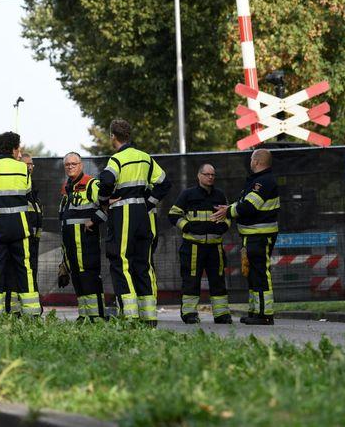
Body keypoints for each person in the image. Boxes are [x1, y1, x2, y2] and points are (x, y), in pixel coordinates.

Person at [97, 120, 171, 326]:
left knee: (120, 262)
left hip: (123, 213)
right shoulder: (145, 158)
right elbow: (165, 182)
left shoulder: (116, 160)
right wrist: (148, 203)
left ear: (113, 136)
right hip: (143, 215)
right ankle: (149, 317)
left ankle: (130, 316)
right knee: (143, 263)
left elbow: (106, 182)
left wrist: (104, 201)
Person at [213, 149, 280, 325]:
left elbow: (249, 206)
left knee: (260, 273)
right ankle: (256, 312)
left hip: (259, 236)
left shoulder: (263, 182)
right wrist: (229, 208)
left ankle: (265, 314)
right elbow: (243, 203)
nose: (249, 162)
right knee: (252, 274)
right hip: (252, 236)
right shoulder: (257, 181)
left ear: (257, 162)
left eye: (251, 159)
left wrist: (228, 211)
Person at [0, 132, 40, 316]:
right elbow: (28, 195)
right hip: (20, 229)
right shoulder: (23, 169)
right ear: (14, 148)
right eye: (19, 148)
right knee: (25, 269)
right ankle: (32, 312)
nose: (20, 152)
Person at [168, 164, 232, 324]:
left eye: (213, 175)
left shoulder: (220, 195)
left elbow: (228, 215)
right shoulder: (187, 195)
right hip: (193, 247)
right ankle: (189, 314)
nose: (210, 177)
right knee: (191, 280)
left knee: (218, 280)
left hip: (215, 247)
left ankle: (222, 314)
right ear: (199, 176)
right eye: (207, 174)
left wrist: (224, 227)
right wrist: (187, 226)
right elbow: (173, 214)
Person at [59, 152, 108, 320]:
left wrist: (93, 221)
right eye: (67, 164)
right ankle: (84, 315)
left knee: (90, 277)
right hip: (70, 243)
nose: (70, 167)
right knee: (78, 278)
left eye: (74, 163)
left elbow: (107, 206)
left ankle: (97, 316)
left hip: (87, 242)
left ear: (81, 165)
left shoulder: (91, 184)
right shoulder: (67, 187)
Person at [5, 152, 43, 314]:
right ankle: (15, 309)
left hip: (33, 241)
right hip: (21, 238)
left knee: (30, 273)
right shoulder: (17, 187)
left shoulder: (32, 189)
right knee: (16, 273)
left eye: (31, 164)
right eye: (27, 164)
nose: (30, 167)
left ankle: (31, 308)